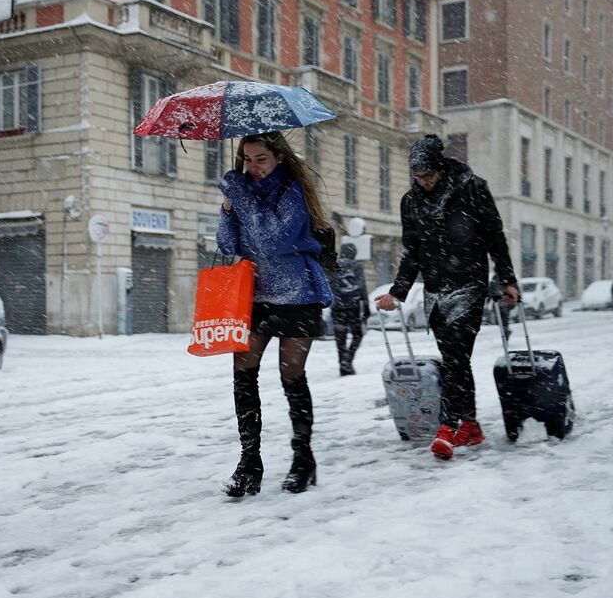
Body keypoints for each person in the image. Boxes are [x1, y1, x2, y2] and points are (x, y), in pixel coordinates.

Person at [375, 134, 519, 461]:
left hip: (469, 283)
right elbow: (411, 251)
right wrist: (397, 292)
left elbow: (495, 237)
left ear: (440, 168)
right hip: (435, 289)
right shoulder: (410, 201)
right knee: (457, 360)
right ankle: (470, 424)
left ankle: (447, 427)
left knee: (455, 357)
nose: (423, 182)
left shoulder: (471, 188)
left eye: (428, 175)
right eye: (418, 177)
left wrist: (506, 278)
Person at [216, 131, 333, 497]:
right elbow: (226, 243)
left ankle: (303, 457)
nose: (252, 167)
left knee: (291, 374)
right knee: (243, 372)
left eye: (260, 159)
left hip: (298, 294)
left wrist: (239, 195)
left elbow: (274, 241)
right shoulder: (243, 192)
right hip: (255, 296)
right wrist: (227, 209)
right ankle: (249, 461)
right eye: (247, 159)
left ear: (279, 158)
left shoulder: (294, 191)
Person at [330, 242, 369, 376]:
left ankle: (343, 364)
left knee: (340, 338)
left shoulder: (334, 265)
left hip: (337, 308)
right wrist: (366, 305)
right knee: (358, 335)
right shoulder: (357, 265)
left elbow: (331, 286)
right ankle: (348, 358)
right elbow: (362, 286)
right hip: (354, 307)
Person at [488, 272, 512, 340]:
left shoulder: (506, 277)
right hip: (497, 303)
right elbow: (491, 290)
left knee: (504, 322)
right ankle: (506, 332)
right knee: (499, 321)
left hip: (505, 303)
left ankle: (506, 336)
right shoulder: (494, 278)